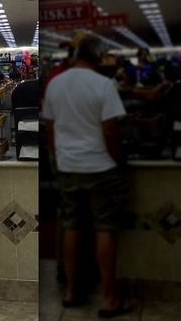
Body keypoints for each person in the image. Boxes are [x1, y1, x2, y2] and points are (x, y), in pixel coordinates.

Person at [41, 34, 133, 318]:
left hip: (68, 167)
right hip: (101, 167)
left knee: (71, 225)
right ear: (97, 56)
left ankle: (70, 292)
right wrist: (118, 162)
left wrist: (58, 159)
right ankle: (108, 297)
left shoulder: (56, 83)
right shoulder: (105, 85)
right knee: (104, 227)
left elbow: (50, 130)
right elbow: (111, 131)